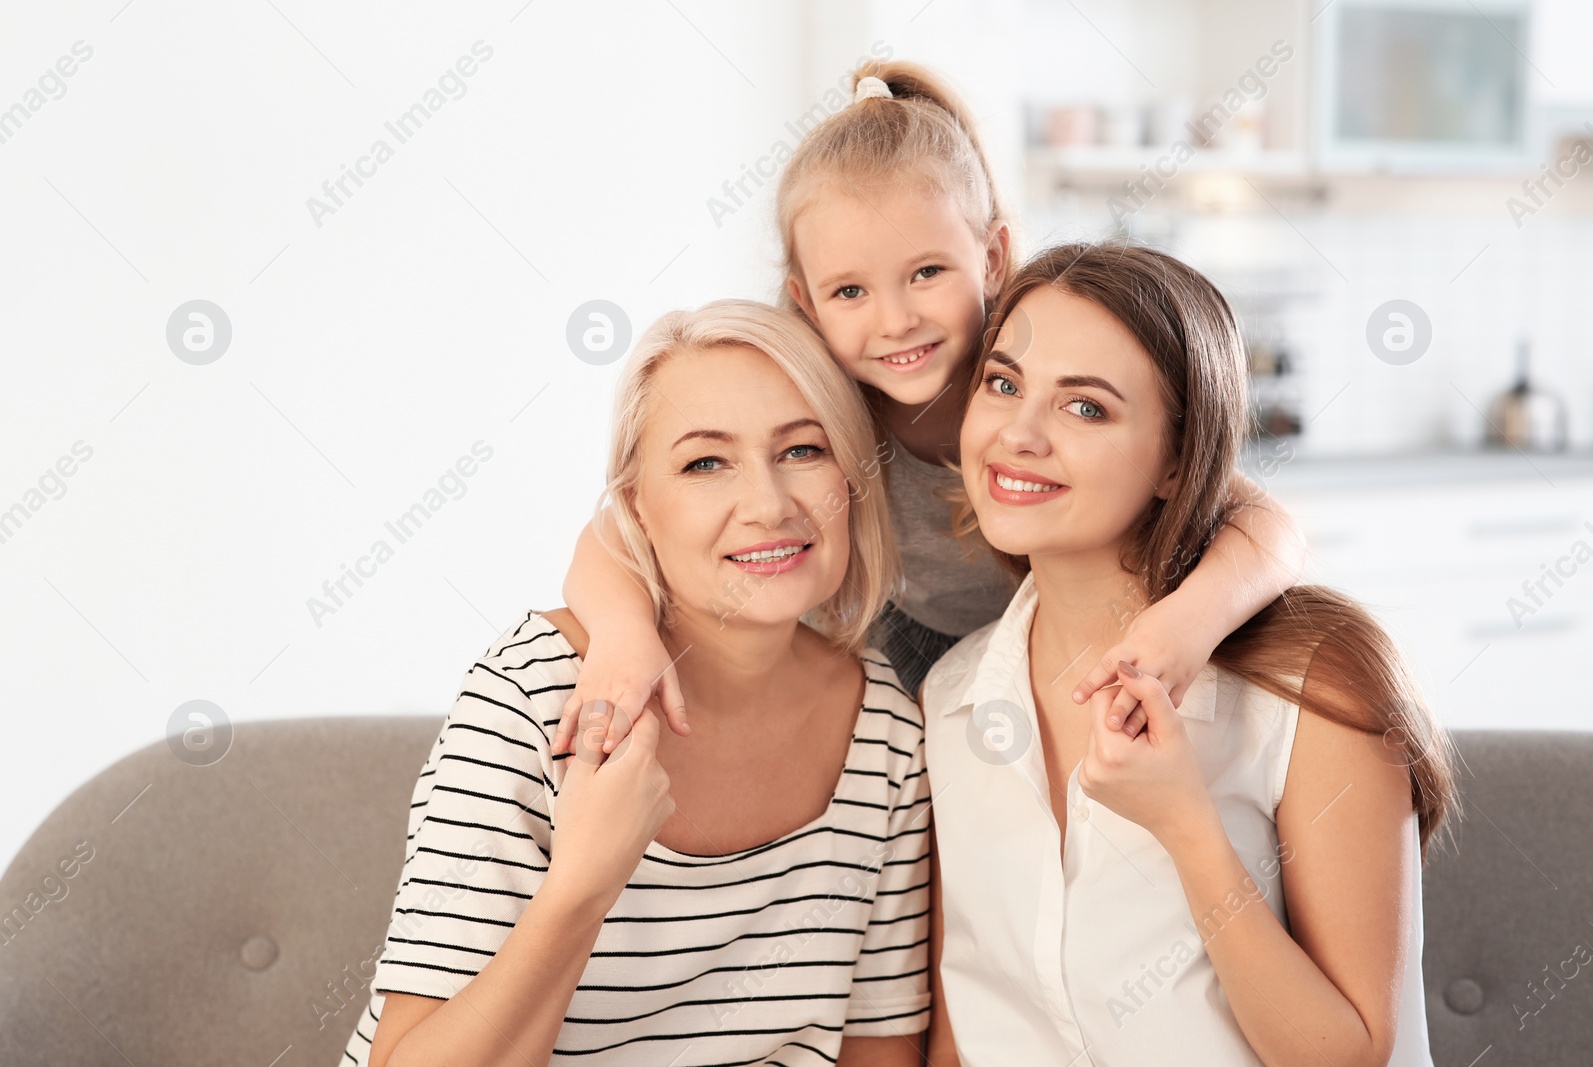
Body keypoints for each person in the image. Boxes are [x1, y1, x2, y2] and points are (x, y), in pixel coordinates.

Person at [554, 60, 1308, 771]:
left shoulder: (1035, 367)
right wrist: (621, 636)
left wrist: (1187, 622)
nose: (895, 321)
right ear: (806, 299)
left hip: (1065, 625)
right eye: (850, 292)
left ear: (990, 257)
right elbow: (616, 530)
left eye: (926, 273)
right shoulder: (821, 409)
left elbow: (1267, 525)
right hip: (900, 638)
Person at [342, 300, 931, 1067]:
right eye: (704, 463)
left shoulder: (886, 727)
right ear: (637, 509)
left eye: (803, 450)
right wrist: (584, 884)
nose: (767, 505)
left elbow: (876, 1054)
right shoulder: (532, 694)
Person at [922, 242, 1458, 1066]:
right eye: (1003, 383)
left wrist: (1187, 826)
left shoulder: (1314, 685)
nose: (1018, 433)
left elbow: (1352, 1055)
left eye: (1086, 408)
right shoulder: (952, 700)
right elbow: (966, 1025)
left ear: (1178, 460)